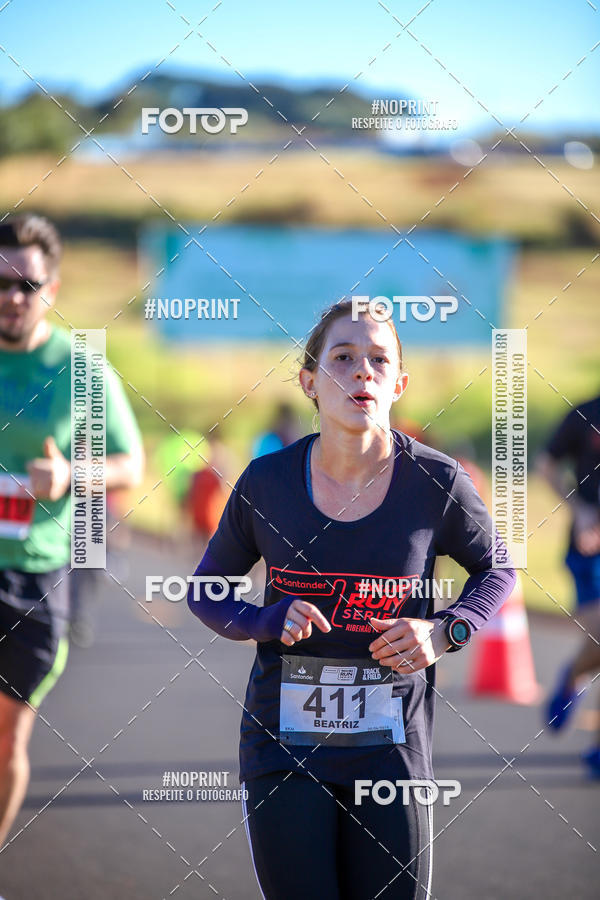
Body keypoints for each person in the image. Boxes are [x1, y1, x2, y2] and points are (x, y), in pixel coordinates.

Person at [188, 300, 516, 899]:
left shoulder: (437, 483)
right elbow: (207, 589)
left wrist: (445, 631)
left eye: (378, 359)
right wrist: (264, 619)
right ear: (310, 382)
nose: (362, 371)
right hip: (284, 749)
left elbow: (496, 571)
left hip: (391, 755)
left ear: (399, 383)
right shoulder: (266, 482)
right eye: (343, 357)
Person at [0, 214, 144, 845]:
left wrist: (71, 475)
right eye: (1, 283)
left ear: (50, 290)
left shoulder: (80, 370)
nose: (11, 297)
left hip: (36, 571)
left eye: (25, 286)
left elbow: (132, 463)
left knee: (8, 735)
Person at [536, 393, 600, 778]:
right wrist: (581, 510)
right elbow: (546, 465)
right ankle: (574, 674)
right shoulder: (586, 412)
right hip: (588, 549)